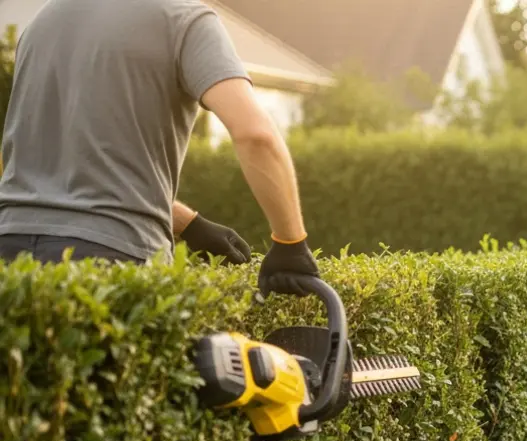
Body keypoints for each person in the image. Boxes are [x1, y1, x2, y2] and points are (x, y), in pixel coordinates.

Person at [0, 0, 319, 296]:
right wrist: (290, 243)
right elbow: (255, 135)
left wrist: (188, 223)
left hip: (10, 254)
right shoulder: (183, 18)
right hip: (112, 260)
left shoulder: (41, 23)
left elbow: (73, 161)